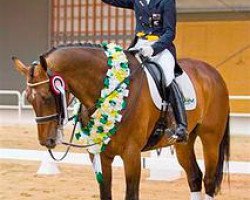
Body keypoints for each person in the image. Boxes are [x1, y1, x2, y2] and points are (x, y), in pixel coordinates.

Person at [101, 0, 188, 143]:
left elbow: (170, 32)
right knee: (122, 72)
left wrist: (154, 48)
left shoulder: (165, 2)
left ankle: (181, 125)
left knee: (167, 77)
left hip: (160, 47)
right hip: (139, 45)